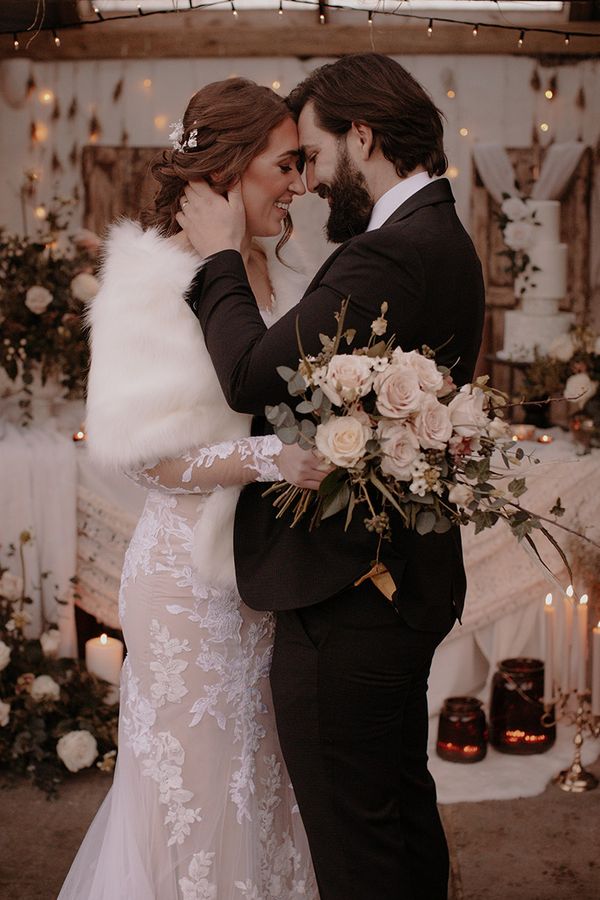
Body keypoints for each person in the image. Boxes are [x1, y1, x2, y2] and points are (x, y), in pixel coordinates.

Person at [175, 53, 486, 900]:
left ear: (361, 135)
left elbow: (249, 374)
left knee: (355, 850)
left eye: (311, 156)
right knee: (397, 810)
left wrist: (218, 259)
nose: (308, 183)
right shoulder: (443, 236)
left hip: (352, 598)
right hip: (398, 585)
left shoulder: (392, 252)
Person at [58, 78, 320, 900]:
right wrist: (273, 460)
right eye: (288, 164)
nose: (303, 184)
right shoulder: (147, 281)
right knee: (196, 800)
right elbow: (148, 459)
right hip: (187, 591)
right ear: (234, 169)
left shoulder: (274, 267)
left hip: (269, 575)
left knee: (268, 790)